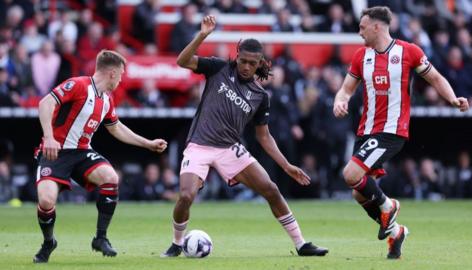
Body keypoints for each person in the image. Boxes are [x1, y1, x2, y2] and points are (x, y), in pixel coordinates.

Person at [162, 15, 328, 257]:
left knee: (271, 189)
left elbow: (264, 136)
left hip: (229, 148)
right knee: (186, 195)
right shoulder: (218, 68)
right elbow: (182, 61)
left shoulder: (260, 96)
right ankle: (177, 244)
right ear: (236, 56)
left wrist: (286, 165)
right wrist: (203, 35)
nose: (247, 66)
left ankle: (301, 244)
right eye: (243, 61)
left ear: (260, 62)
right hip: (199, 145)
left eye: (252, 63)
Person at [333, 6, 469, 259]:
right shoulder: (361, 56)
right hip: (367, 130)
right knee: (358, 191)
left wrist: (452, 99)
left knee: (350, 174)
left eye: (362, 27)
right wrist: (339, 101)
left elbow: (436, 78)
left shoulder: (409, 52)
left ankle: (388, 205)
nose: (359, 32)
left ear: (377, 26)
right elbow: (345, 89)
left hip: (392, 130)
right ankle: (396, 232)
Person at [33, 50, 168, 263]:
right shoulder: (78, 85)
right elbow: (45, 104)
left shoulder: (106, 99)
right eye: (121, 74)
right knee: (46, 201)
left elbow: (116, 129)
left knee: (111, 177)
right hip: (55, 151)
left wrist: (148, 144)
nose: (122, 79)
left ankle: (100, 238)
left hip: (82, 152)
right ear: (112, 73)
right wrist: (48, 137)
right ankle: (49, 242)